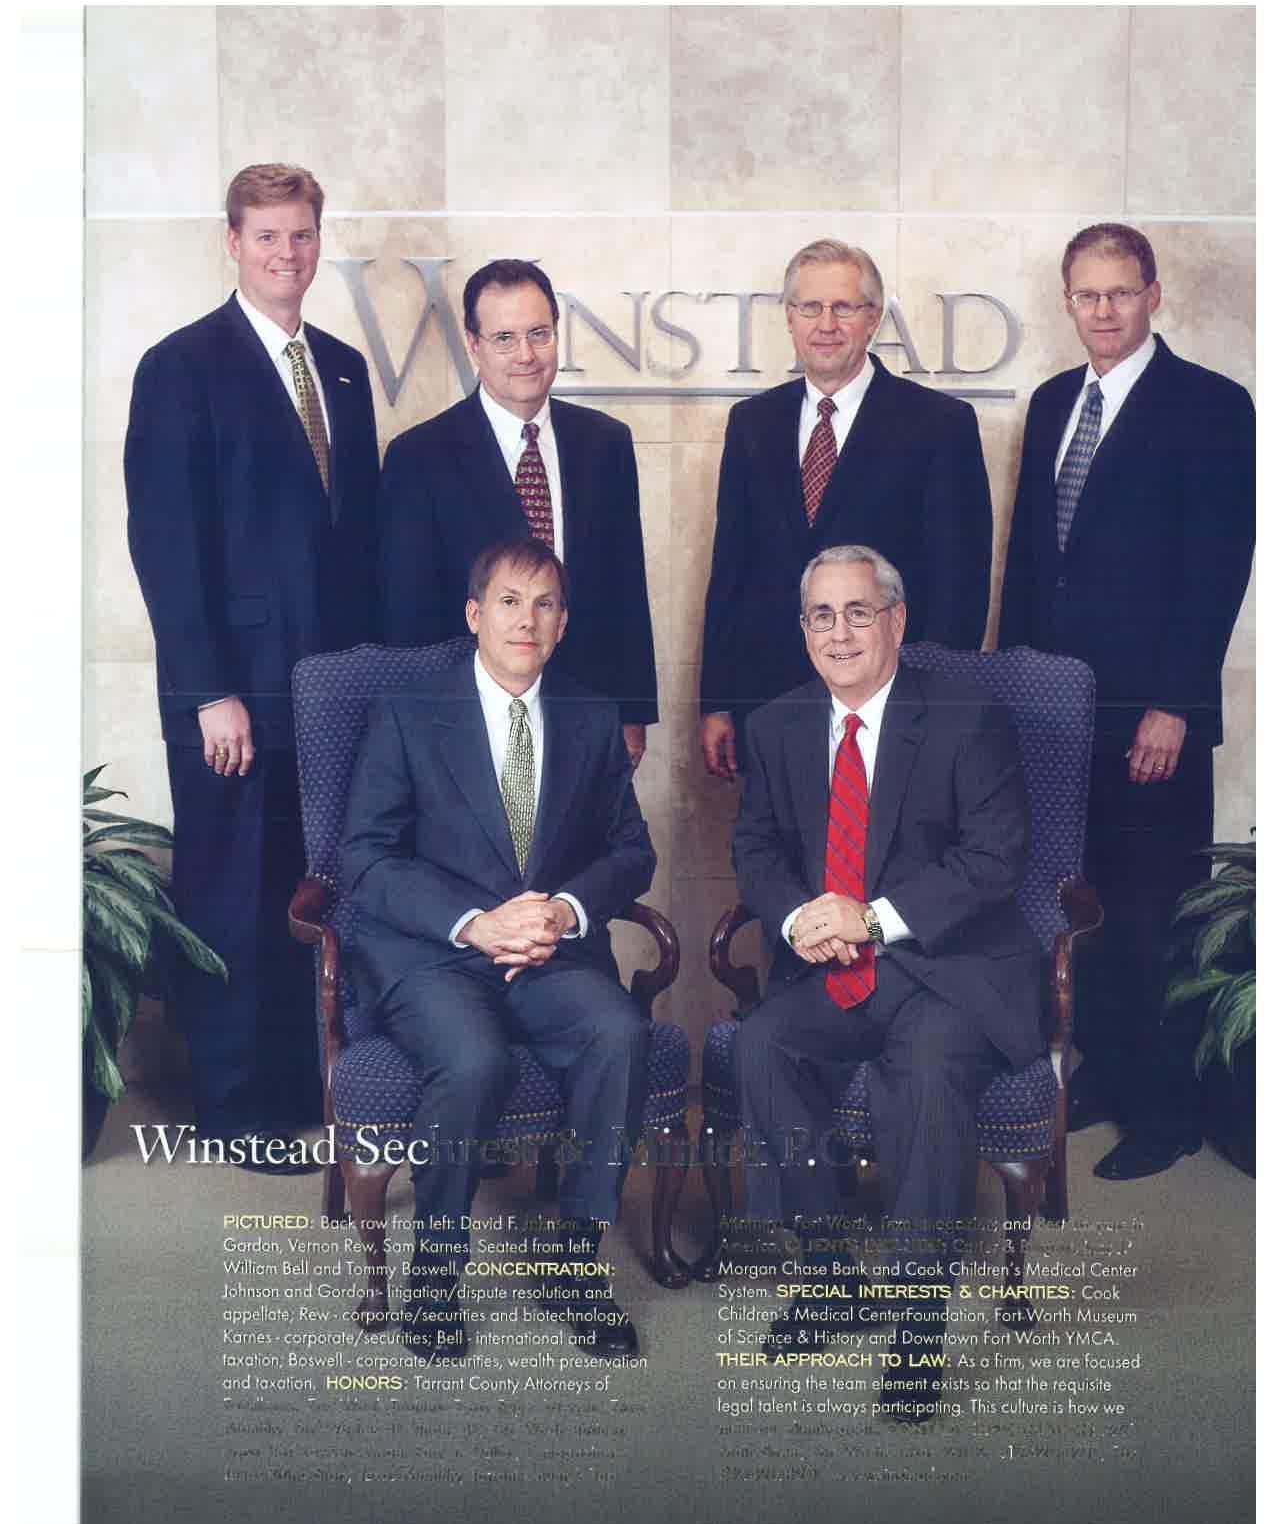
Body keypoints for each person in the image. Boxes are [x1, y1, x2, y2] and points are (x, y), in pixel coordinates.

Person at [731, 545, 1042, 1422]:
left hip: (947, 967)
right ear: (804, 630)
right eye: (821, 616)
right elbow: (755, 848)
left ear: (896, 621)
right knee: (762, 1044)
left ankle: (918, 1321)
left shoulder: (967, 716)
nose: (840, 634)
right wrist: (799, 918)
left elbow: (994, 860)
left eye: (858, 612)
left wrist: (869, 919)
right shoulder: (776, 726)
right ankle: (830, 1278)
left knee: (929, 1067)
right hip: (831, 966)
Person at [124, 162, 380, 1172]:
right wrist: (208, 692)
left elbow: (354, 541)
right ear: (232, 242)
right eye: (267, 235)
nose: (287, 253)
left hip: (331, 690)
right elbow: (166, 544)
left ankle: (302, 1087)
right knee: (233, 893)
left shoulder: (344, 370)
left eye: (302, 234)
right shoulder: (180, 366)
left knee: (308, 891)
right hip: (232, 692)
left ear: (320, 240)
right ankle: (233, 1109)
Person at [342, 539, 655, 1362]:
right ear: (475, 614)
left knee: (621, 1032)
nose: (527, 620)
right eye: (511, 601)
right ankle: (435, 1275)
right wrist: (474, 923)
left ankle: (577, 1262)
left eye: (545, 604)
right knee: (472, 1059)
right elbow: (365, 859)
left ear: (563, 624)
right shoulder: (410, 711)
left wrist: (562, 909)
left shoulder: (591, 716)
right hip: (436, 954)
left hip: (549, 953)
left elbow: (632, 851)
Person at [999, 223, 1255, 1181]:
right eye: (1086, 294)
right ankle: (1107, 1070)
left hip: (1153, 715)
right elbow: (1031, 559)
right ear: (1067, 300)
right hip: (1057, 712)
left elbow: (1218, 565)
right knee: (1080, 904)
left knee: (1153, 912)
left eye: (1120, 292)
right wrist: (1011, 683)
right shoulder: (1052, 402)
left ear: (1153, 294)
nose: (1102, 311)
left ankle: (1168, 1112)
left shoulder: (1213, 404)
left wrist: (1175, 703)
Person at [699, 239, 993, 779]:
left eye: (844, 307)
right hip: (768, 700)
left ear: (873, 317)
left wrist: (933, 705)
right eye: (811, 307)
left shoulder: (940, 424)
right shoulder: (752, 422)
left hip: (894, 705)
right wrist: (717, 700)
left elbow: (960, 586)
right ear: (790, 317)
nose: (826, 324)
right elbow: (730, 570)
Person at [378, 258, 657, 767]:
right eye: (504, 338)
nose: (525, 355)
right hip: (466, 722)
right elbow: (409, 616)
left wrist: (631, 711)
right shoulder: (419, 457)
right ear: (474, 344)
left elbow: (625, 589)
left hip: (586, 713)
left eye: (538, 334)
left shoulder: (605, 443)